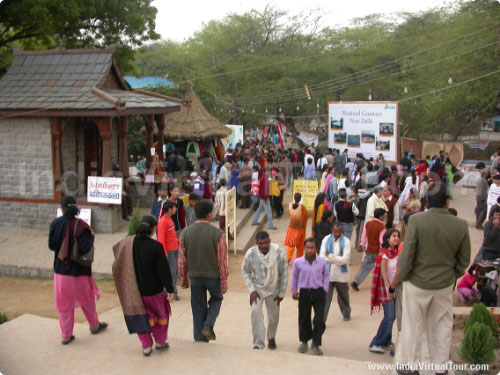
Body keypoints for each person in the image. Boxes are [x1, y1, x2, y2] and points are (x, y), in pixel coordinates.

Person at [396, 182, 470, 375]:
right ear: (447, 202)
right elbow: (464, 260)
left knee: (412, 325)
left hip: (416, 283)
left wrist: (404, 277)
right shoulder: (460, 225)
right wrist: (451, 276)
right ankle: (440, 367)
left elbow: (407, 255)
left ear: (426, 200)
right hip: (444, 284)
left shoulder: (417, 221)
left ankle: (410, 366)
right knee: (441, 327)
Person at [48, 195, 107, 345]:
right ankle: (94, 325)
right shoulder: (81, 225)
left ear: (62, 208)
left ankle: (66, 335)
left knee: (64, 305)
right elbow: (84, 247)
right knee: (87, 301)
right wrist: (92, 238)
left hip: (61, 272)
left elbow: (51, 246)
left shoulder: (55, 224)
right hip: (80, 272)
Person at [112, 215, 174, 356]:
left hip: (135, 291)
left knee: (141, 318)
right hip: (155, 292)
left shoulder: (128, 244)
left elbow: (118, 260)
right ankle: (160, 342)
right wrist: (170, 289)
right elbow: (164, 271)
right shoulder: (156, 247)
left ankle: (146, 346)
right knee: (160, 317)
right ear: (153, 230)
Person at [179, 200, 228, 342]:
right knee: (217, 298)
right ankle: (208, 325)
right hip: (213, 277)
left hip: (194, 277)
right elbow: (222, 261)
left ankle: (199, 339)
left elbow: (182, 260)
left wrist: (183, 278)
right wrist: (224, 280)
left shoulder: (185, 233)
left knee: (197, 307)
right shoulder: (218, 234)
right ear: (209, 215)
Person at [242, 231, 288, 350]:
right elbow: (245, 271)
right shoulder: (250, 253)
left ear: (270, 241)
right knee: (255, 313)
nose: (264, 246)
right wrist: (252, 290)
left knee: (273, 317)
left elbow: (284, 274)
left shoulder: (279, 252)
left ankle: (271, 337)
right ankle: (258, 343)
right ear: (256, 243)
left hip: (274, 289)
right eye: (261, 243)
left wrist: (282, 293)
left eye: (266, 243)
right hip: (258, 289)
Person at [291, 238, 329, 356]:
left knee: (319, 320)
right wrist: (294, 291)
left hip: (318, 293)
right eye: (307, 248)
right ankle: (304, 342)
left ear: (316, 249)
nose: (310, 250)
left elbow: (326, 276)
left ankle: (316, 343)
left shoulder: (322, 262)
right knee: (304, 318)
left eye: (312, 248)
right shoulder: (298, 262)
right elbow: (294, 277)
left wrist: (325, 289)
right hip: (304, 293)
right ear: (304, 248)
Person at [368, 228, 400, 354]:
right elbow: (384, 274)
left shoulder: (398, 253)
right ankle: (376, 342)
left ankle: (387, 341)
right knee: (389, 316)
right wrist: (389, 290)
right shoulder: (384, 254)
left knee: (392, 317)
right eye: (393, 236)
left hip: (396, 289)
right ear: (388, 239)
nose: (396, 238)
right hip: (387, 291)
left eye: (398, 236)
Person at [320, 222, 351, 322]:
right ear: (332, 230)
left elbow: (345, 260)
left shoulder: (346, 242)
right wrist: (338, 258)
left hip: (341, 276)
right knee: (325, 299)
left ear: (342, 231)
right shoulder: (326, 239)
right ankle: (322, 320)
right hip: (328, 275)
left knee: (343, 297)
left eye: (340, 232)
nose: (337, 234)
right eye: (335, 232)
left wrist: (330, 256)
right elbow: (322, 258)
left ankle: (346, 312)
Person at [351, 208, 387, 291]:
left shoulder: (368, 224)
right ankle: (381, 285)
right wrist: (383, 250)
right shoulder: (382, 227)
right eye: (383, 216)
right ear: (381, 216)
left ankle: (356, 282)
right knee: (382, 268)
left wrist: (363, 246)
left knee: (364, 268)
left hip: (369, 250)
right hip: (378, 251)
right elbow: (381, 241)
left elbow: (364, 236)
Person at [158, 201, 181, 300]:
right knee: (172, 272)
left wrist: (179, 243)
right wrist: (164, 253)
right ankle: (170, 291)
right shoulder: (163, 222)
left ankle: (171, 291)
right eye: (174, 208)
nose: (175, 209)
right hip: (170, 251)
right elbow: (161, 238)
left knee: (175, 271)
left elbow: (172, 235)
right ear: (169, 210)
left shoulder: (170, 220)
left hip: (175, 248)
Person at [285, 193, 309, 263]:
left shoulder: (290, 205)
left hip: (291, 228)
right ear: (301, 199)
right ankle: (298, 259)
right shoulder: (302, 207)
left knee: (291, 244)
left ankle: (288, 258)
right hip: (299, 228)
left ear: (294, 198)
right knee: (300, 245)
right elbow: (306, 216)